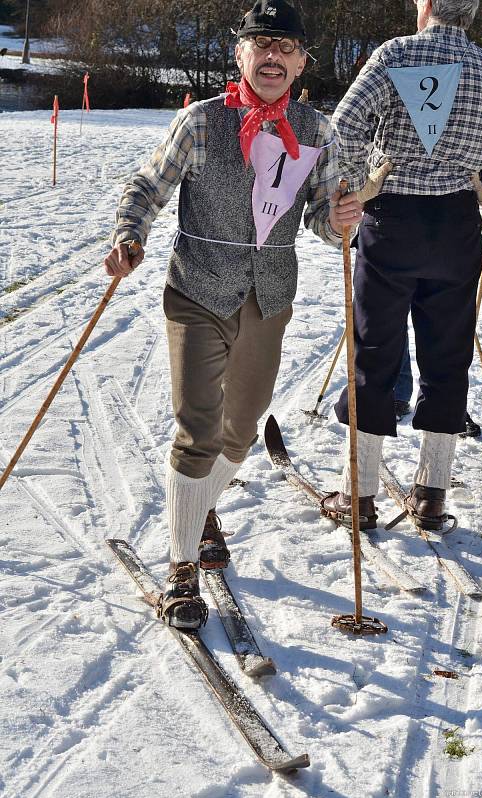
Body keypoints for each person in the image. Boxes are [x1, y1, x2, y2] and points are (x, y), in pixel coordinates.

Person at [102, 0, 378, 629]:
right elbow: (146, 186)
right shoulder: (201, 123)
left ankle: (200, 510)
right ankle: (181, 570)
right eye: (262, 45)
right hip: (198, 288)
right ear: (241, 55)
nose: (274, 56)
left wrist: (339, 221)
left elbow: (319, 213)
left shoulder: (318, 130)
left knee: (241, 431)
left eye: (286, 46)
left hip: (269, 296)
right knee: (197, 430)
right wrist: (129, 235)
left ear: (303, 61)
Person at [322, 0, 482, 531]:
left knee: (373, 352)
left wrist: (355, 190)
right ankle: (432, 494)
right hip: (458, 226)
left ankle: (361, 495)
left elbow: (340, 129)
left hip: (391, 222)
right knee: (448, 356)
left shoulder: (394, 54)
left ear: (429, 5)